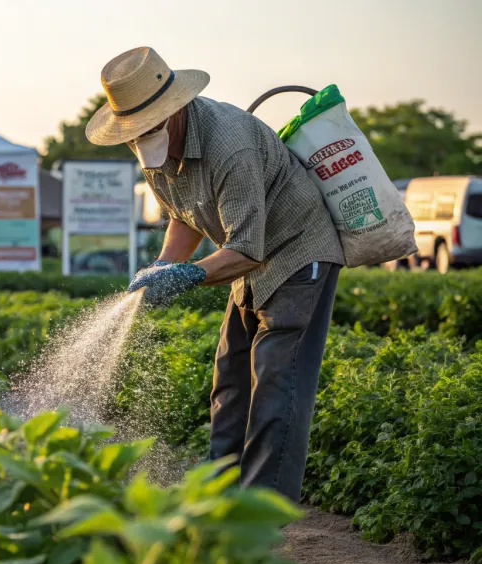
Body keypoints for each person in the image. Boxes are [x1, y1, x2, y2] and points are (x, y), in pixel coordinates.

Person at [85, 47, 345, 503]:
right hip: (247, 262)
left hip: (297, 253)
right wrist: (165, 264)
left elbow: (247, 247)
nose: (140, 139)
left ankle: (264, 509)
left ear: (175, 109)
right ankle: (219, 493)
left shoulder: (230, 145)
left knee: (275, 382)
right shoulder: (157, 154)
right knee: (229, 377)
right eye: (133, 133)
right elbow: (184, 216)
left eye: (148, 128)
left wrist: (186, 277)